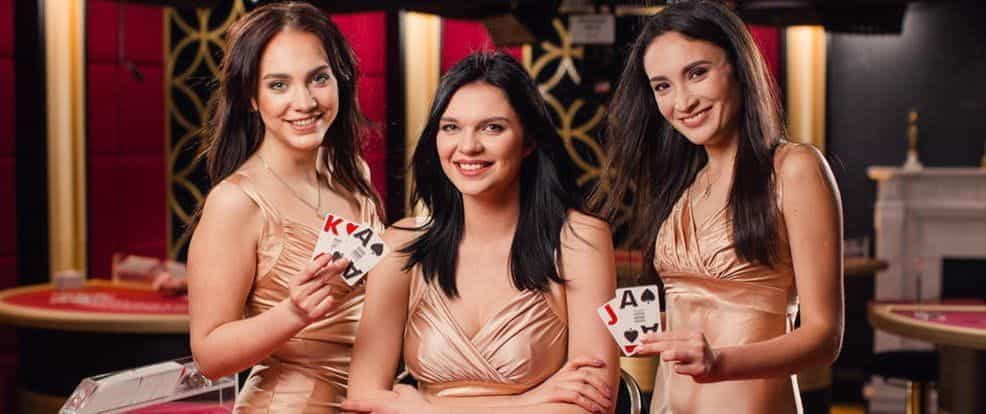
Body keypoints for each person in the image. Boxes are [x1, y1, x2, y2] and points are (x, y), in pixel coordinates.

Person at [593, 1, 844, 413]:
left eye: (697, 73)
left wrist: (720, 362)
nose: (682, 101)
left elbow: (824, 337)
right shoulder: (682, 185)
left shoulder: (794, 169)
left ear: (738, 66)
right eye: (662, 86)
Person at [343, 52, 619, 414]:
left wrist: (424, 409)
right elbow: (362, 397)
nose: (468, 146)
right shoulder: (402, 244)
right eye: (451, 127)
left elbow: (592, 403)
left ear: (529, 140)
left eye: (492, 128)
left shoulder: (579, 240)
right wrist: (529, 403)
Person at [185, 2, 383, 412]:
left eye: (318, 79)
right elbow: (209, 355)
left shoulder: (352, 174)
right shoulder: (235, 201)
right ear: (251, 97)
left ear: (340, 80)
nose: (305, 101)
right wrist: (291, 313)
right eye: (278, 85)